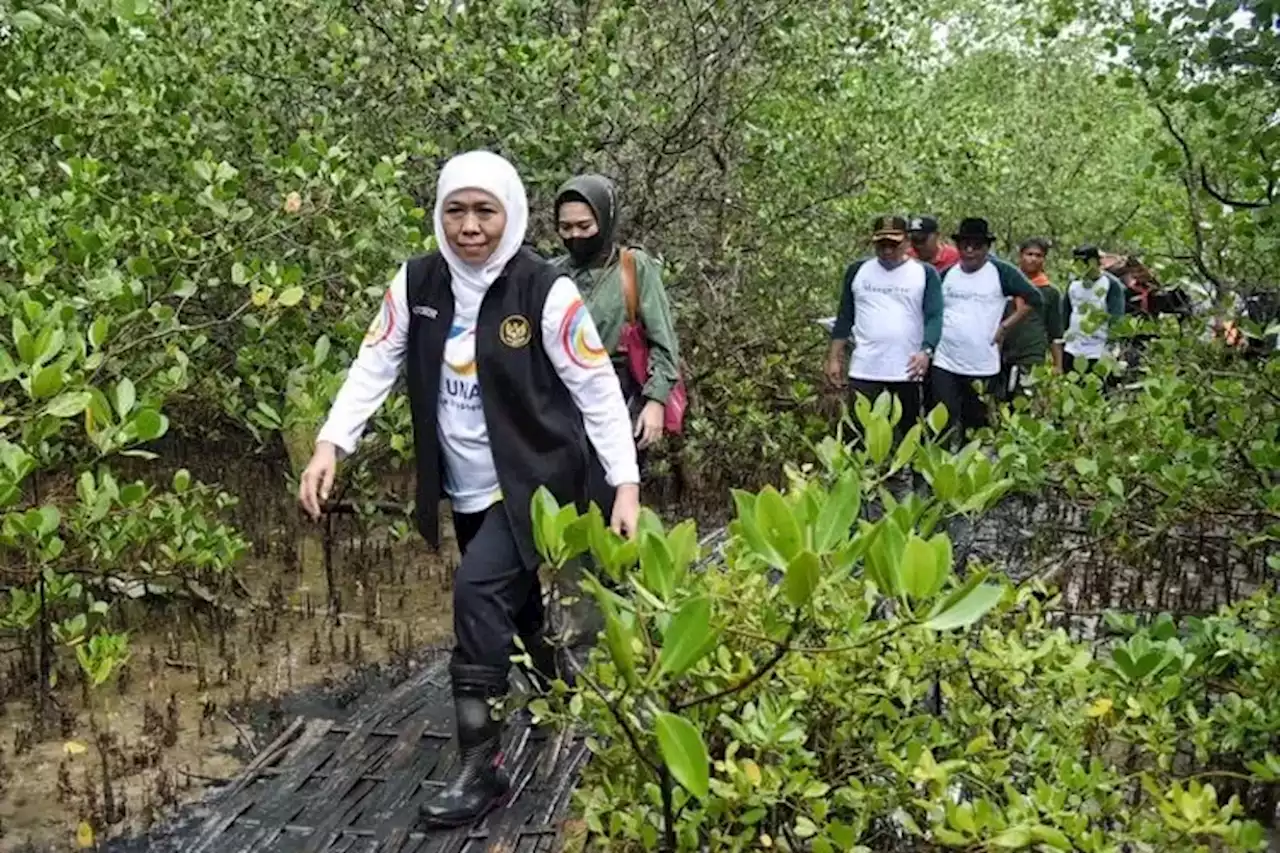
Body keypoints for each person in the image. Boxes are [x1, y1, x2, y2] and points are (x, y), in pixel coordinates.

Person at [297, 151, 641, 829]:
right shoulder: (418, 281)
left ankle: (483, 767)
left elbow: (598, 389)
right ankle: (551, 684)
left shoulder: (543, 290)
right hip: (468, 486)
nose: (470, 226)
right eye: (456, 209)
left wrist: (624, 484)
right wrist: (330, 443)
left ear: (510, 212)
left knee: (476, 594)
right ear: (439, 213)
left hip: (537, 485)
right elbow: (374, 363)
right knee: (510, 605)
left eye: (485, 210)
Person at [552, 174, 680, 518]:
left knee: (610, 495)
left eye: (584, 225)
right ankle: (576, 571)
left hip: (620, 396)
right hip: (564, 400)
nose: (575, 236)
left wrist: (655, 401)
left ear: (605, 220)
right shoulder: (552, 274)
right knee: (569, 500)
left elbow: (663, 341)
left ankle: (616, 570)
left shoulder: (633, 267)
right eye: (565, 228)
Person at [824, 215, 942, 441]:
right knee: (859, 431)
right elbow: (845, 317)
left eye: (893, 244)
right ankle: (864, 474)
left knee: (910, 431)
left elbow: (935, 316)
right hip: (866, 367)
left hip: (908, 369)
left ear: (907, 242)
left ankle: (910, 475)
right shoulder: (858, 271)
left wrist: (926, 350)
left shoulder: (924, 273)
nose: (887, 250)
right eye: (881, 244)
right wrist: (834, 357)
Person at [931, 218, 1043, 446]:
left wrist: (1006, 326)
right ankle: (939, 471)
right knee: (942, 421)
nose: (970, 250)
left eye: (976, 245)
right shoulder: (947, 274)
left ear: (986, 247)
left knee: (976, 423)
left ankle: (971, 471)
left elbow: (1034, 298)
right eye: (964, 245)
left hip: (981, 363)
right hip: (944, 360)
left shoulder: (1001, 272)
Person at [998, 237, 1065, 397]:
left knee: (1025, 398)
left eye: (1038, 255)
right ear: (1020, 256)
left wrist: (1058, 365)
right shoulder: (1004, 285)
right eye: (1029, 254)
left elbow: (1055, 332)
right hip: (1002, 350)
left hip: (1032, 352)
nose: (1033, 259)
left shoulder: (1050, 292)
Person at [1063, 245, 1125, 374]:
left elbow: (1116, 318)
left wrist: (1112, 348)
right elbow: (1065, 313)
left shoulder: (1111, 285)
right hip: (1073, 347)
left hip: (1099, 348)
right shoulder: (1073, 284)